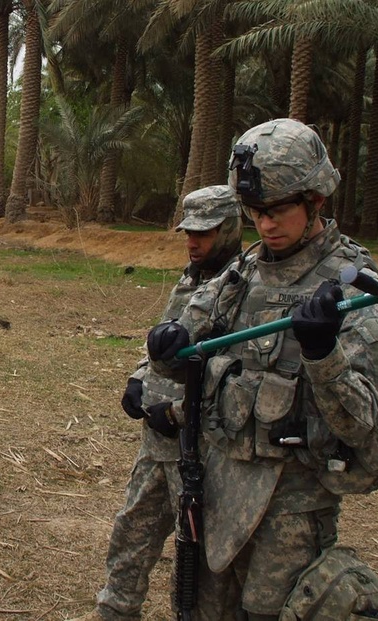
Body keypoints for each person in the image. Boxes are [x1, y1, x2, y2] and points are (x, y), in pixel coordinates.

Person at [146, 118, 378, 619]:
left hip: (291, 509)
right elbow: (183, 360)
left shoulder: (355, 287)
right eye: (256, 212)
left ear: (317, 201)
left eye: (279, 210)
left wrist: (322, 352)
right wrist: (167, 348)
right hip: (217, 495)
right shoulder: (239, 276)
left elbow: (365, 422)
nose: (266, 225)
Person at [73, 185, 244, 621]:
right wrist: (138, 376)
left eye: (204, 233)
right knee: (131, 535)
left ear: (230, 229)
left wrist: (176, 413)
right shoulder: (192, 277)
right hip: (157, 446)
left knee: (198, 563)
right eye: (189, 231)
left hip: (202, 454)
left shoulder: (245, 288)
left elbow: (239, 380)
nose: (193, 241)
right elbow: (166, 337)